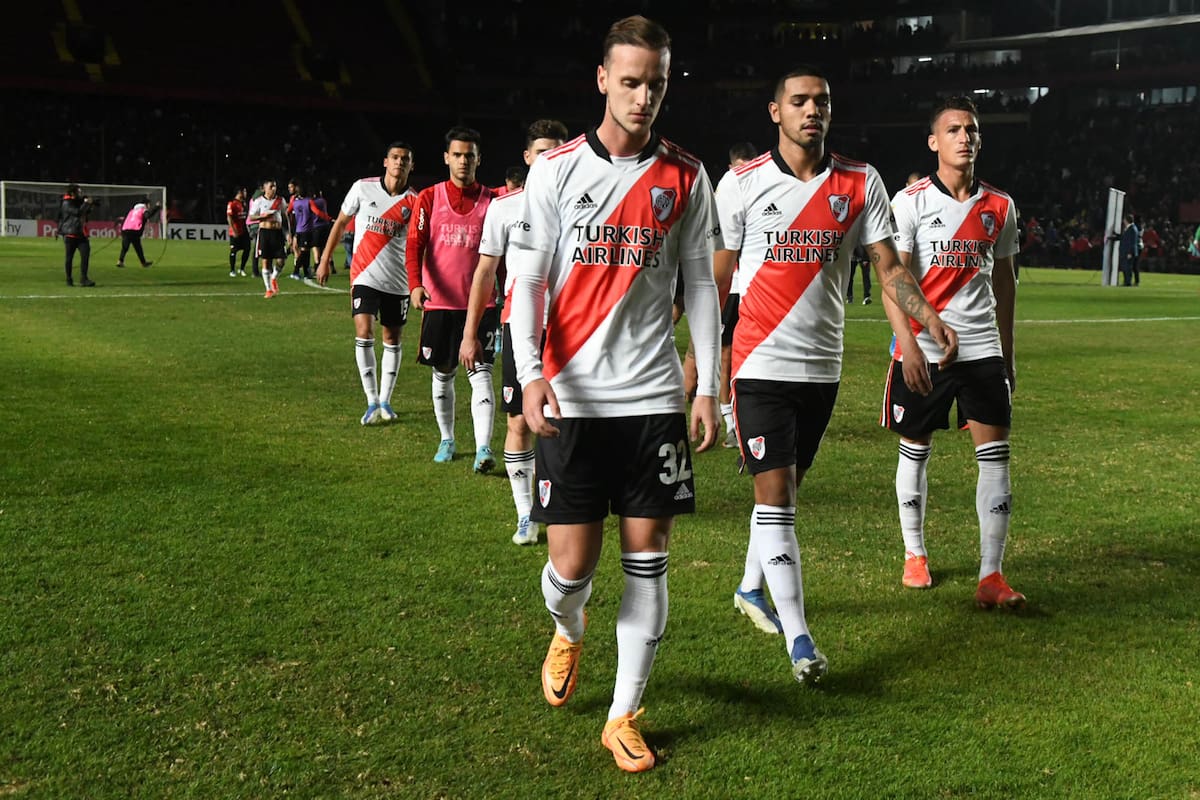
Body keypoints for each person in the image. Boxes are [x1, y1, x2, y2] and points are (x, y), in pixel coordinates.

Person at [507, 15, 723, 773]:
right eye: (629, 82)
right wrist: (530, 374)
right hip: (571, 399)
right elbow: (527, 282)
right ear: (602, 79)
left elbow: (700, 285)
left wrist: (709, 387)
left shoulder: (686, 176)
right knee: (570, 570)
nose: (642, 98)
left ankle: (624, 712)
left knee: (649, 557)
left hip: (654, 398)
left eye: (655, 84)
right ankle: (568, 629)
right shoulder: (556, 172)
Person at [717, 65, 958, 684]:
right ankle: (800, 639)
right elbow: (718, 283)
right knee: (775, 497)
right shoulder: (740, 184)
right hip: (758, 363)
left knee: (786, 488)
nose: (811, 110)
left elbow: (888, 267)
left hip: (822, 367)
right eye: (798, 100)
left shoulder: (860, 181)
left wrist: (927, 318)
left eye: (821, 100)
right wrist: (705, 367)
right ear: (776, 112)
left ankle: (750, 587)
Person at [881, 95, 1022, 610]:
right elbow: (894, 280)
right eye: (954, 130)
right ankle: (914, 553)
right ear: (933, 142)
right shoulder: (911, 201)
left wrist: (1008, 356)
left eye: (972, 130)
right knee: (915, 449)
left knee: (996, 457)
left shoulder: (1001, 206)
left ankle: (991, 574)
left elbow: (1004, 283)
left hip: (982, 348)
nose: (965, 137)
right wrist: (907, 345)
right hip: (923, 348)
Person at [458, 118, 569, 546]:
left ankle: (562, 500)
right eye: (543, 152)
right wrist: (470, 334)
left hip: (571, 328)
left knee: (567, 421)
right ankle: (526, 513)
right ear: (528, 158)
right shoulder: (504, 209)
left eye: (558, 152)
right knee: (520, 420)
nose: (551, 160)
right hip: (520, 327)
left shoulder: (583, 207)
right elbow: (485, 272)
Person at [406, 126, 498, 471]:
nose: (463, 161)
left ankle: (484, 449)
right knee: (443, 374)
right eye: (457, 155)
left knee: (482, 373)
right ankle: (447, 438)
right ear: (447, 158)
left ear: (478, 159)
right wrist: (416, 284)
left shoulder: (492, 201)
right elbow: (414, 245)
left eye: (469, 155)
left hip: (481, 305)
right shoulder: (429, 198)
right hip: (440, 304)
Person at [317, 143, 418, 425]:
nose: (399, 163)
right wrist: (324, 259)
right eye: (395, 158)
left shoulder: (415, 201)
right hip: (364, 275)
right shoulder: (362, 187)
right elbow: (340, 223)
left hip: (397, 281)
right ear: (385, 161)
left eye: (405, 159)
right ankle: (371, 400)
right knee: (364, 330)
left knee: (392, 339)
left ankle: (386, 400)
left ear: (412, 165)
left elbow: (420, 245)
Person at [680, 141, 758, 447]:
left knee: (741, 355)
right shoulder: (720, 195)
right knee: (721, 354)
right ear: (730, 166)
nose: (744, 172)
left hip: (746, 288)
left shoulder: (760, 189)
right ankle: (727, 419)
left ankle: (734, 415)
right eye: (739, 165)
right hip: (721, 284)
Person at [247, 179, 288, 298]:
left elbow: (285, 218)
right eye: (271, 187)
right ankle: (268, 289)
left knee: (281, 260)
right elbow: (251, 216)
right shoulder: (259, 201)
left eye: (275, 186)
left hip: (278, 232)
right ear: (264, 188)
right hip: (265, 232)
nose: (274, 189)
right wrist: (262, 216)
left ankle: (274, 278)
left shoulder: (281, 200)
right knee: (266, 260)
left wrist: (288, 234)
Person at [287, 181, 332, 280]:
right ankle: (295, 271)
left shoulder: (295, 202)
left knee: (306, 252)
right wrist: (329, 218)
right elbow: (317, 212)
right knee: (304, 252)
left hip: (298, 230)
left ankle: (306, 273)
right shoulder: (309, 201)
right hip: (307, 230)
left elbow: (287, 211)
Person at [56, 183, 96, 287]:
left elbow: (83, 213)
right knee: (69, 258)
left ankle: (84, 278)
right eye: (79, 191)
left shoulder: (76, 201)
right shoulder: (66, 203)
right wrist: (86, 203)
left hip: (81, 233)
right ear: (73, 192)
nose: (81, 193)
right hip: (70, 233)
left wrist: (90, 205)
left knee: (85, 255)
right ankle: (69, 278)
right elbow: (77, 212)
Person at [115, 195, 160, 268]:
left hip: (126, 229)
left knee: (128, 246)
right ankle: (142, 263)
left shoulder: (132, 210)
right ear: (146, 204)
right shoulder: (143, 209)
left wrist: (122, 229)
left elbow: (126, 219)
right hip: (135, 230)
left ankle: (121, 261)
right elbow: (147, 216)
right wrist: (156, 207)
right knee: (137, 247)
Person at [227, 187, 251, 277]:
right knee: (234, 251)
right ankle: (232, 270)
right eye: (244, 191)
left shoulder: (244, 203)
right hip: (235, 231)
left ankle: (242, 269)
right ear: (239, 193)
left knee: (247, 249)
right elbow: (229, 217)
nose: (246, 193)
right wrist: (233, 230)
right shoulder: (232, 203)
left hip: (244, 231)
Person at [1117, 213, 1141, 286]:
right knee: (1126, 267)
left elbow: (1132, 242)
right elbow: (1124, 238)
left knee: (1128, 267)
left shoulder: (1132, 229)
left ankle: (1128, 282)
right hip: (1127, 251)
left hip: (1129, 252)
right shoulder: (1130, 228)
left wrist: (1130, 252)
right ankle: (1127, 281)